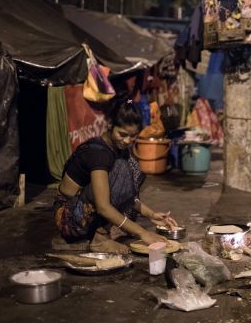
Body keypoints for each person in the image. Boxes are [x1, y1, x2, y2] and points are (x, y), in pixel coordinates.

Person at [54, 95, 177, 254]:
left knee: (128, 164)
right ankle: (99, 239)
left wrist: (151, 214)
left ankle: (102, 231)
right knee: (121, 166)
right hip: (68, 218)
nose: (127, 141)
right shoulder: (99, 153)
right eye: (123, 134)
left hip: (85, 211)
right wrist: (143, 233)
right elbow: (104, 207)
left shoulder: (119, 150)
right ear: (110, 125)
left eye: (133, 136)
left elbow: (126, 194)